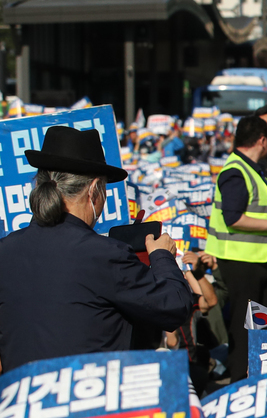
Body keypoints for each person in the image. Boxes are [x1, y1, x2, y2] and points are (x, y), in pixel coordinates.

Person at [0, 125, 194, 370]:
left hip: (20, 400)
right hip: (86, 399)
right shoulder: (104, 254)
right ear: (94, 191)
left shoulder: (6, 249)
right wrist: (162, 257)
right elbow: (174, 307)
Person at [207, 115, 267, 382]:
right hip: (241, 262)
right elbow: (233, 217)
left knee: (265, 322)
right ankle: (239, 382)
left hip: (259, 261)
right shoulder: (236, 171)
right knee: (245, 329)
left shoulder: (250, 167)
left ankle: (259, 374)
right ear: (263, 140)